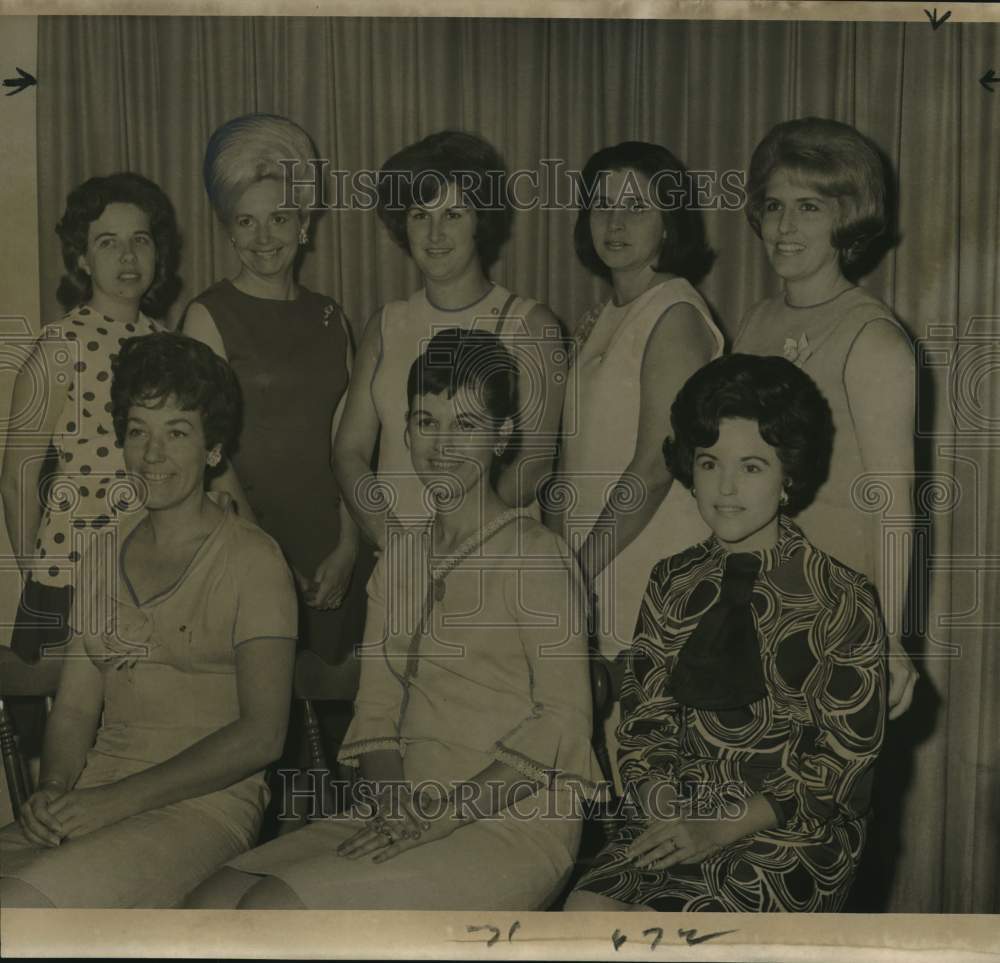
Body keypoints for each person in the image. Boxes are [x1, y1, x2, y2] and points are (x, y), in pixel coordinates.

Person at [188, 329, 602, 910]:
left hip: (512, 819)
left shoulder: (538, 555)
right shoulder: (400, 560)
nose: (442, 445)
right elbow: (378, 706)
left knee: (271, 913)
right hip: (404, 807)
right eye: (426, 421)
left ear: (503, 435)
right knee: (205, 905)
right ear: (404, 429)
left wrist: (442, 816)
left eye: (465, 425)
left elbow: (562, 723)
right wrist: (394, 803)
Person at [565, 353, 887, 912]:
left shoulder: (842, 596)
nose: (726, 487)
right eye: (710, 463)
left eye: (753, 466)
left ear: (789, 474)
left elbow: (841, 764)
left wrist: (718, 828)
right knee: (585, 914)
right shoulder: (671, 580)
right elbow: (644, 727)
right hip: (677, 812)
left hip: (790, 831)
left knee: (665, 932)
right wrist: (667, 809)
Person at [0, 333, 297, 908]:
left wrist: (113, 803)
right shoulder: (100, 554)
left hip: (205, 809)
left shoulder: (255, 560)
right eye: (139, 431)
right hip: (95, 796)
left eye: (177, 432)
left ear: (213, 448)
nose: (153, 455)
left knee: (15, 908)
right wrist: (55, 789)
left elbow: (263, 735)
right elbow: (77, 708)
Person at [732, 117, 917, 719]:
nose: (784, 227)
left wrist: (889, 639)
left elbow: (893, 503)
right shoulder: (756, 323)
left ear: (846, 217)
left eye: (808, 207)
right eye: (774, 205)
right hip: (748, 605)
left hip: (832, 622)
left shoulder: (874, 339)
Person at [554, 141, 723, 777]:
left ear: (669, 222)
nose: (615, 223)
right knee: (616, 767)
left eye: (636, 206)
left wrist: (573, 571)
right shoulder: (610, 314)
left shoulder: (675, 313)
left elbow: (655, 467)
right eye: (601, 206)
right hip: (602, 566)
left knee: (654, 773)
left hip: (646, 568)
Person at [183, 113, 367, 671]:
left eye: (279, 218)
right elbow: (206, 453)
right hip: (245, 541)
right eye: (246, 221)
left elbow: (353, 444)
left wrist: (350, 546)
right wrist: (270, 557)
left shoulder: (332, 317)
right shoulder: (207, 315)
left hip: (334, 547)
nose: (264, 239)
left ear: (305, 222)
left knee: (341, 726)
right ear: (229, 228)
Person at [333, 130, 566, 550]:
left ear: (481, 222)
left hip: (490, 559)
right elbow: (348, 452)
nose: (435, 233)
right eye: (421, 215)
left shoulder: (530, 325)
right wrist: (396, 542)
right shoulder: (386, 324)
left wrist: (450, 546)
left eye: (453, 215)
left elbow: (531, 468)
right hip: (399, 557)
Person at [1, 172, 180, 672]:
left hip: (155, 573)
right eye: (108, 242)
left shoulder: (168, 344)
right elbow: (17, 477)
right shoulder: (59, 345)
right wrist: (39, 578)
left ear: (157, 254)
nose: (127, 256)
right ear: (82, 257)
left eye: (140, 240)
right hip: (71, 577)